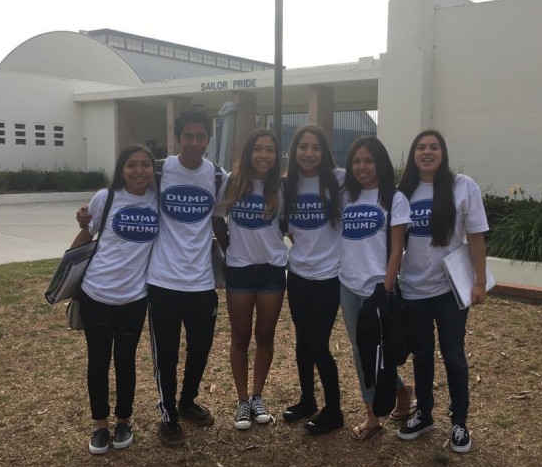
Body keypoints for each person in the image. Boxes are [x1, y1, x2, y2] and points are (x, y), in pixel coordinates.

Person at [77, 108, 229, 448]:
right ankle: (168, 415)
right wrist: (83, 220)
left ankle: (187, 401)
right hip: (162, 282)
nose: (193, 142)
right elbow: (124, 193)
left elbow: (221, 217)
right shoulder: (160, 171)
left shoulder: (218, 177)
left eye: (200, 136)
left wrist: (230, 258)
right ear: (177, 139)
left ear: (208, 139)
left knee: (201, 348)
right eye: (187, 136)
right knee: (166, 355)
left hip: (202, 282)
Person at [395, 129, 489, 454]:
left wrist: (479, 281)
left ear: (443, 152)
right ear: (413, 154)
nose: (427, 152)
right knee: (421, 355)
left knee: (454, 355)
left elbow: (476, 236)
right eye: (421, 147)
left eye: (434, 147)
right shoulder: (402, 191)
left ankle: (459, 422)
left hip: (450, 290)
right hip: (413, 289)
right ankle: (424, 414)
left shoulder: (463, 186)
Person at [70, 144, 159, 454]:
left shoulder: (157, 200)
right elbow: (87, 234)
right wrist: (65, 269)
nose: (138, 171)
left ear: (153, 169)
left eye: (145, 165)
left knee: (126, 361)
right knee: (98, 361)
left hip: (135, 298)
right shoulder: (105, 198)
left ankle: (123, 421)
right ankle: (100, 426)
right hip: (96, 293)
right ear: (121, 170)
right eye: (131, 165)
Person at [338, 135, 412, 441]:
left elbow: (397, 249)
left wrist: (386, 286)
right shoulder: (346, 196)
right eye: (356, 161)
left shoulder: (394, 199)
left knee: (379, 351)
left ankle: (398, 393)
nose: (362, 166)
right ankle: (375, 413)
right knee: (361, 351)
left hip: (377, 290)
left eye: (368, 160)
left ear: (379, 162)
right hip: (347, 285)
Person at [214, 129, 288, 430]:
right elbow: (217, 216)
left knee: (265, 335)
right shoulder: (233, 183)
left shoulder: (281, 188)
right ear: (248, 153)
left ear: (276, 155)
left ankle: (258, 396)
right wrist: (229, 246)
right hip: (240, 271)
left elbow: (286, 225)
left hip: (271, 271)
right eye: (258, 149)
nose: (263, 155)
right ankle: (242, 400)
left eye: (270, 149)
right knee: (240, 336)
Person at [280, 124, 345, 435]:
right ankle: (308, 399)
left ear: (324, 152)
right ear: (295, 152)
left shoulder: (339, 180)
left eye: (315, 147)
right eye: (302, 147)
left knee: (319, 343)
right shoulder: (286, 185)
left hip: (329, 276)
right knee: (303, 341)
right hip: (298, 274)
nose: (308, 153)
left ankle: (334, 410)